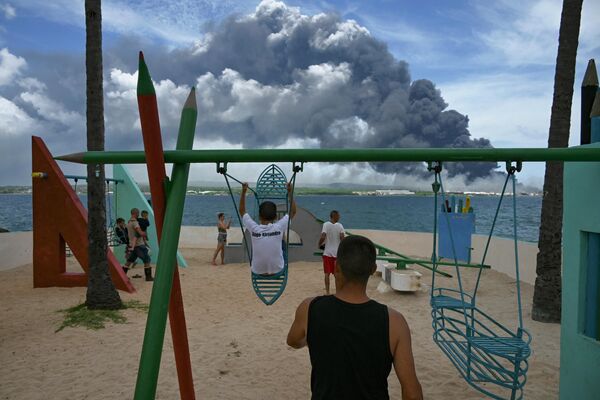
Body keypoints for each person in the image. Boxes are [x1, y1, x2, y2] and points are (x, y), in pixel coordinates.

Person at [286, 235, 423, 400]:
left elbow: (293, 341)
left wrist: (316, 338)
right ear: (373, 270)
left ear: (337, 267)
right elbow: (412, 393)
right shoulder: (395, 322)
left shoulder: (309, 308)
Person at [239, 182, 296, 275]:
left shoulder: (254, 228)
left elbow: (242, 211)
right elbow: (293, 211)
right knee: (282, 243)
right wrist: (290, 191)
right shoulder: (279, 226)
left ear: (259, 217)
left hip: (257, 270)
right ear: (275, 217)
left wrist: (243, 191)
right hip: (278, 269)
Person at [318, 210, 345, 294]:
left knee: (327, 273)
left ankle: (327, 292)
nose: (339, 217)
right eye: (338, 216)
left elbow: (323, 236)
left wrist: (319, 244)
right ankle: (338, 291)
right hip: (337, 254)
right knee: (337, 274)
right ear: (334, 216)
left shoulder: (326, 224)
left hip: (327, 253)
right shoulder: (340, 226)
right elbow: (342, 238)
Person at [123, 207, 154, 281]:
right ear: (135, 213)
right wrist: (144, 234)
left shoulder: (129, 222)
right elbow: (139, 232)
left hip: (132, 245)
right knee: (147, 260)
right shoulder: (135, 222)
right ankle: (148, 277)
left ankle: (122, 276)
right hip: (139, 245)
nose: (138, 215)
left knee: (129, 261)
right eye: (138, 213)